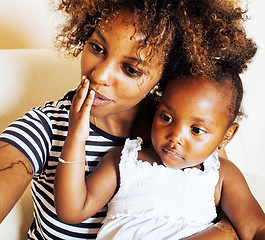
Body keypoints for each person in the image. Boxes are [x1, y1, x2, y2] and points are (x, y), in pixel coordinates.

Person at [0, 0, 257, 239]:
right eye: (97, 47)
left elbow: (236, 218)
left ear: (167, 74)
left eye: (131, 69)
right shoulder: (43, 130)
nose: (99, 75)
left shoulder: (186, 132)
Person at [54, 64, 265, 240]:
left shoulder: (222, 175)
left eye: (196, 130)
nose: (175, 137)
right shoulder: (125, 160)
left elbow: (255, 229)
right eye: (166, 118)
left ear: (227, 136)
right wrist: (76, 136)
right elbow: (72, 210)